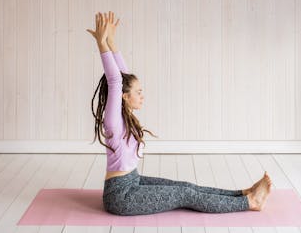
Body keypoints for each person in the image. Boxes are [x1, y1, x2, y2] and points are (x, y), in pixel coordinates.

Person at [86, 11, 272, 216]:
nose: (142, 96)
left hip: (133, 180)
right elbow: (115, 81)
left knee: (185, 186)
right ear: (124, 96)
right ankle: (250, 202)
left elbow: (122, 77)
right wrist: (102, 44)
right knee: (185, 194)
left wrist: (111, 41)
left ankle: (242, 194)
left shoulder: (124, 112)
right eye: (138, 92)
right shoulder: (113, 122)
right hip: (120, 197)